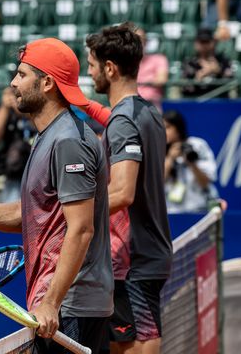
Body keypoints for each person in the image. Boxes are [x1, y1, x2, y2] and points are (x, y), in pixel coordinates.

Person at [0, 38, 113, 354]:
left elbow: (81, 229)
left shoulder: (69, 141)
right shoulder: (50, 136)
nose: (13, 83)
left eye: (22, 74)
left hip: (70, 306)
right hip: (57, 305)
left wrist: (52, 303)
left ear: (47, 83)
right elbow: (33, 214)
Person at [79, 22, 172, 354]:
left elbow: (123, 193)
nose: (88, 73)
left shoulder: (122, 121)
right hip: (149, 250)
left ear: (109, 68)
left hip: (131, 256)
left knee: (137, 340)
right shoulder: (149, 111)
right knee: (139, 336)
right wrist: (84, 103)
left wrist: (72, 220)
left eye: (90, 65)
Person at [0, 86, 36, 202]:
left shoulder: (38, 106)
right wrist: (5, 107)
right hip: (15, 173)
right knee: (11, 210)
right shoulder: (7, 110)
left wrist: (24, 112)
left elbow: (41, 127)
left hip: (39, 172)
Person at [163, 110, 218, 213]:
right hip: (172, 211)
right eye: (162, 128)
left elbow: (206, 182)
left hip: (200, 209)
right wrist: (170, 158)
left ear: (178, 128)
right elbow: (157, 184)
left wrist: (191, 163)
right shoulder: (159, 149)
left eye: (168, 127)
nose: (164, 132)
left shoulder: (197, 145)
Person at [182, 27, 233, 98]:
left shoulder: (222, 60)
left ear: (213, 42)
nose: (204, 45)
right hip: (195, 102)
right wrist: (199, 77)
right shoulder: (190, 62)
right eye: (202, 42)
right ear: (196, 43)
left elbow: (232, 83)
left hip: (220, 102)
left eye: (207, 41)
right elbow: (185, 87)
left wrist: (218, 71)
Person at [135, 27, 168, 110]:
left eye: (141, 39)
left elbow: (161, 80)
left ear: (146, 42)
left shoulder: (160, 59)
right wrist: (150, 81)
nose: (138, 43)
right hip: (130, 104)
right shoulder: (124, 63)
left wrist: (137, 83)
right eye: (135, 40)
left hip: (152, 104)